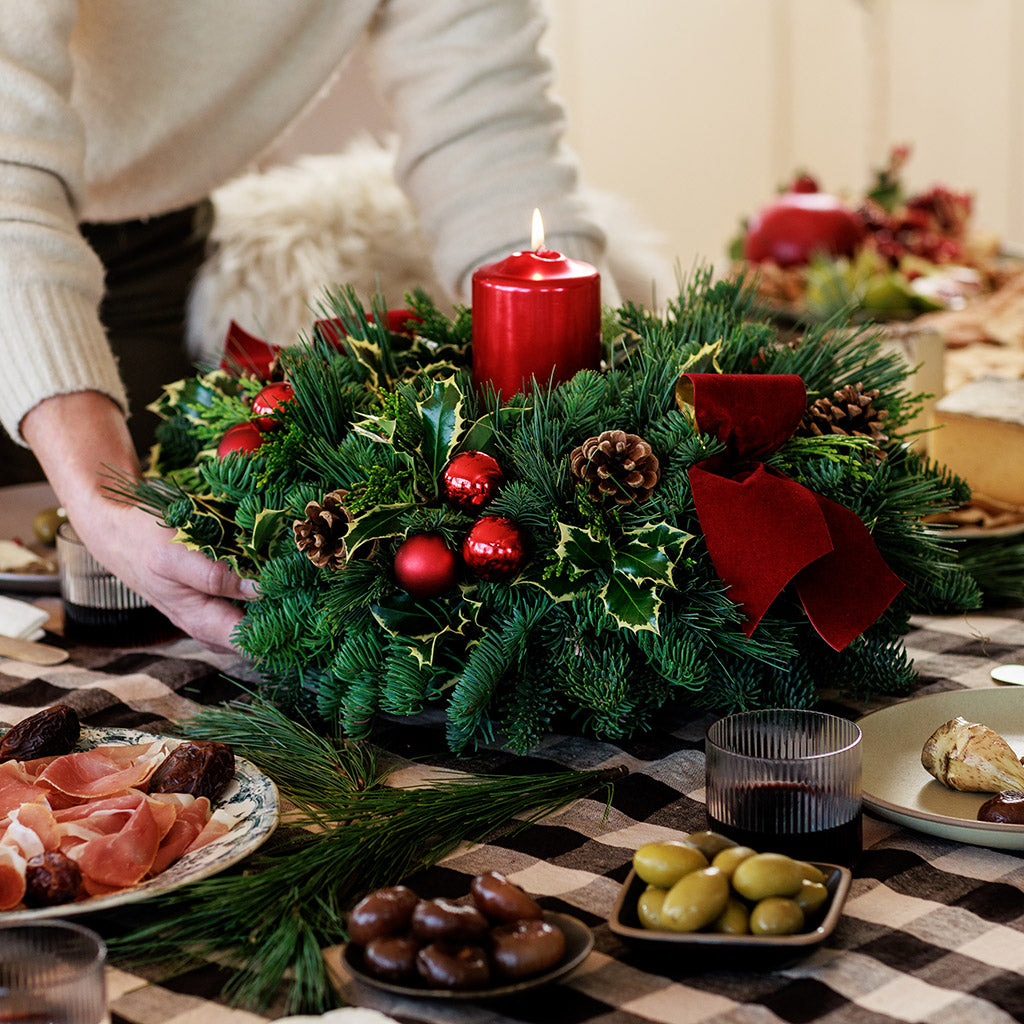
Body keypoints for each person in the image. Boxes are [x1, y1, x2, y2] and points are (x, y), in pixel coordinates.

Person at [0, 1, 616, 653]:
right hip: (18, 227)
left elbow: (489, 129)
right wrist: (98, 491)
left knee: (137, 616)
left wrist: (584, 401)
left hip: (155, 231)